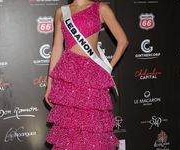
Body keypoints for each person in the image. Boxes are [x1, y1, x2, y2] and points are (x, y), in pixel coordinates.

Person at [44, 0, 128, 149]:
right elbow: (57, 48)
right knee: (70, 128)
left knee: (94, 127)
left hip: (92, 76)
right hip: (68, 76)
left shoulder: (100, 8)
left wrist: (107, 69)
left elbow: (123, 41)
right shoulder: (61, 11)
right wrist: (49, 84)